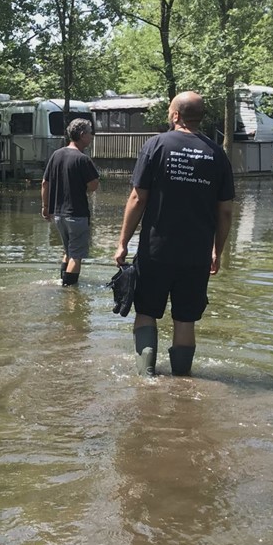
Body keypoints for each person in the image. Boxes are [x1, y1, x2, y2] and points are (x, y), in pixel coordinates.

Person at [113, 91, 235, 376]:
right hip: (196, 253)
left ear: (176, 115)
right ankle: (183, 381)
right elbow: (226, 211)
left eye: (170, 110)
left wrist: (122, 243)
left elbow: (137, 199)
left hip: (156, 251)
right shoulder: (217, 154)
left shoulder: (156, 145)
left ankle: (146, 379)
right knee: (185, 320)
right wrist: (217, 250)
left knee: (146, 313)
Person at [41, 118, 100, 286]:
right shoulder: (83, 159)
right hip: (77, 215)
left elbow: (45, 183)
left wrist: (45, 207)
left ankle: (62, 281)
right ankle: (70, 292)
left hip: (58, 215)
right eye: (90, 133)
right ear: (82, 135)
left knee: (68, 251)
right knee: (76, 256)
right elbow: (93, 186)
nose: (92, 136)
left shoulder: (56, 155)